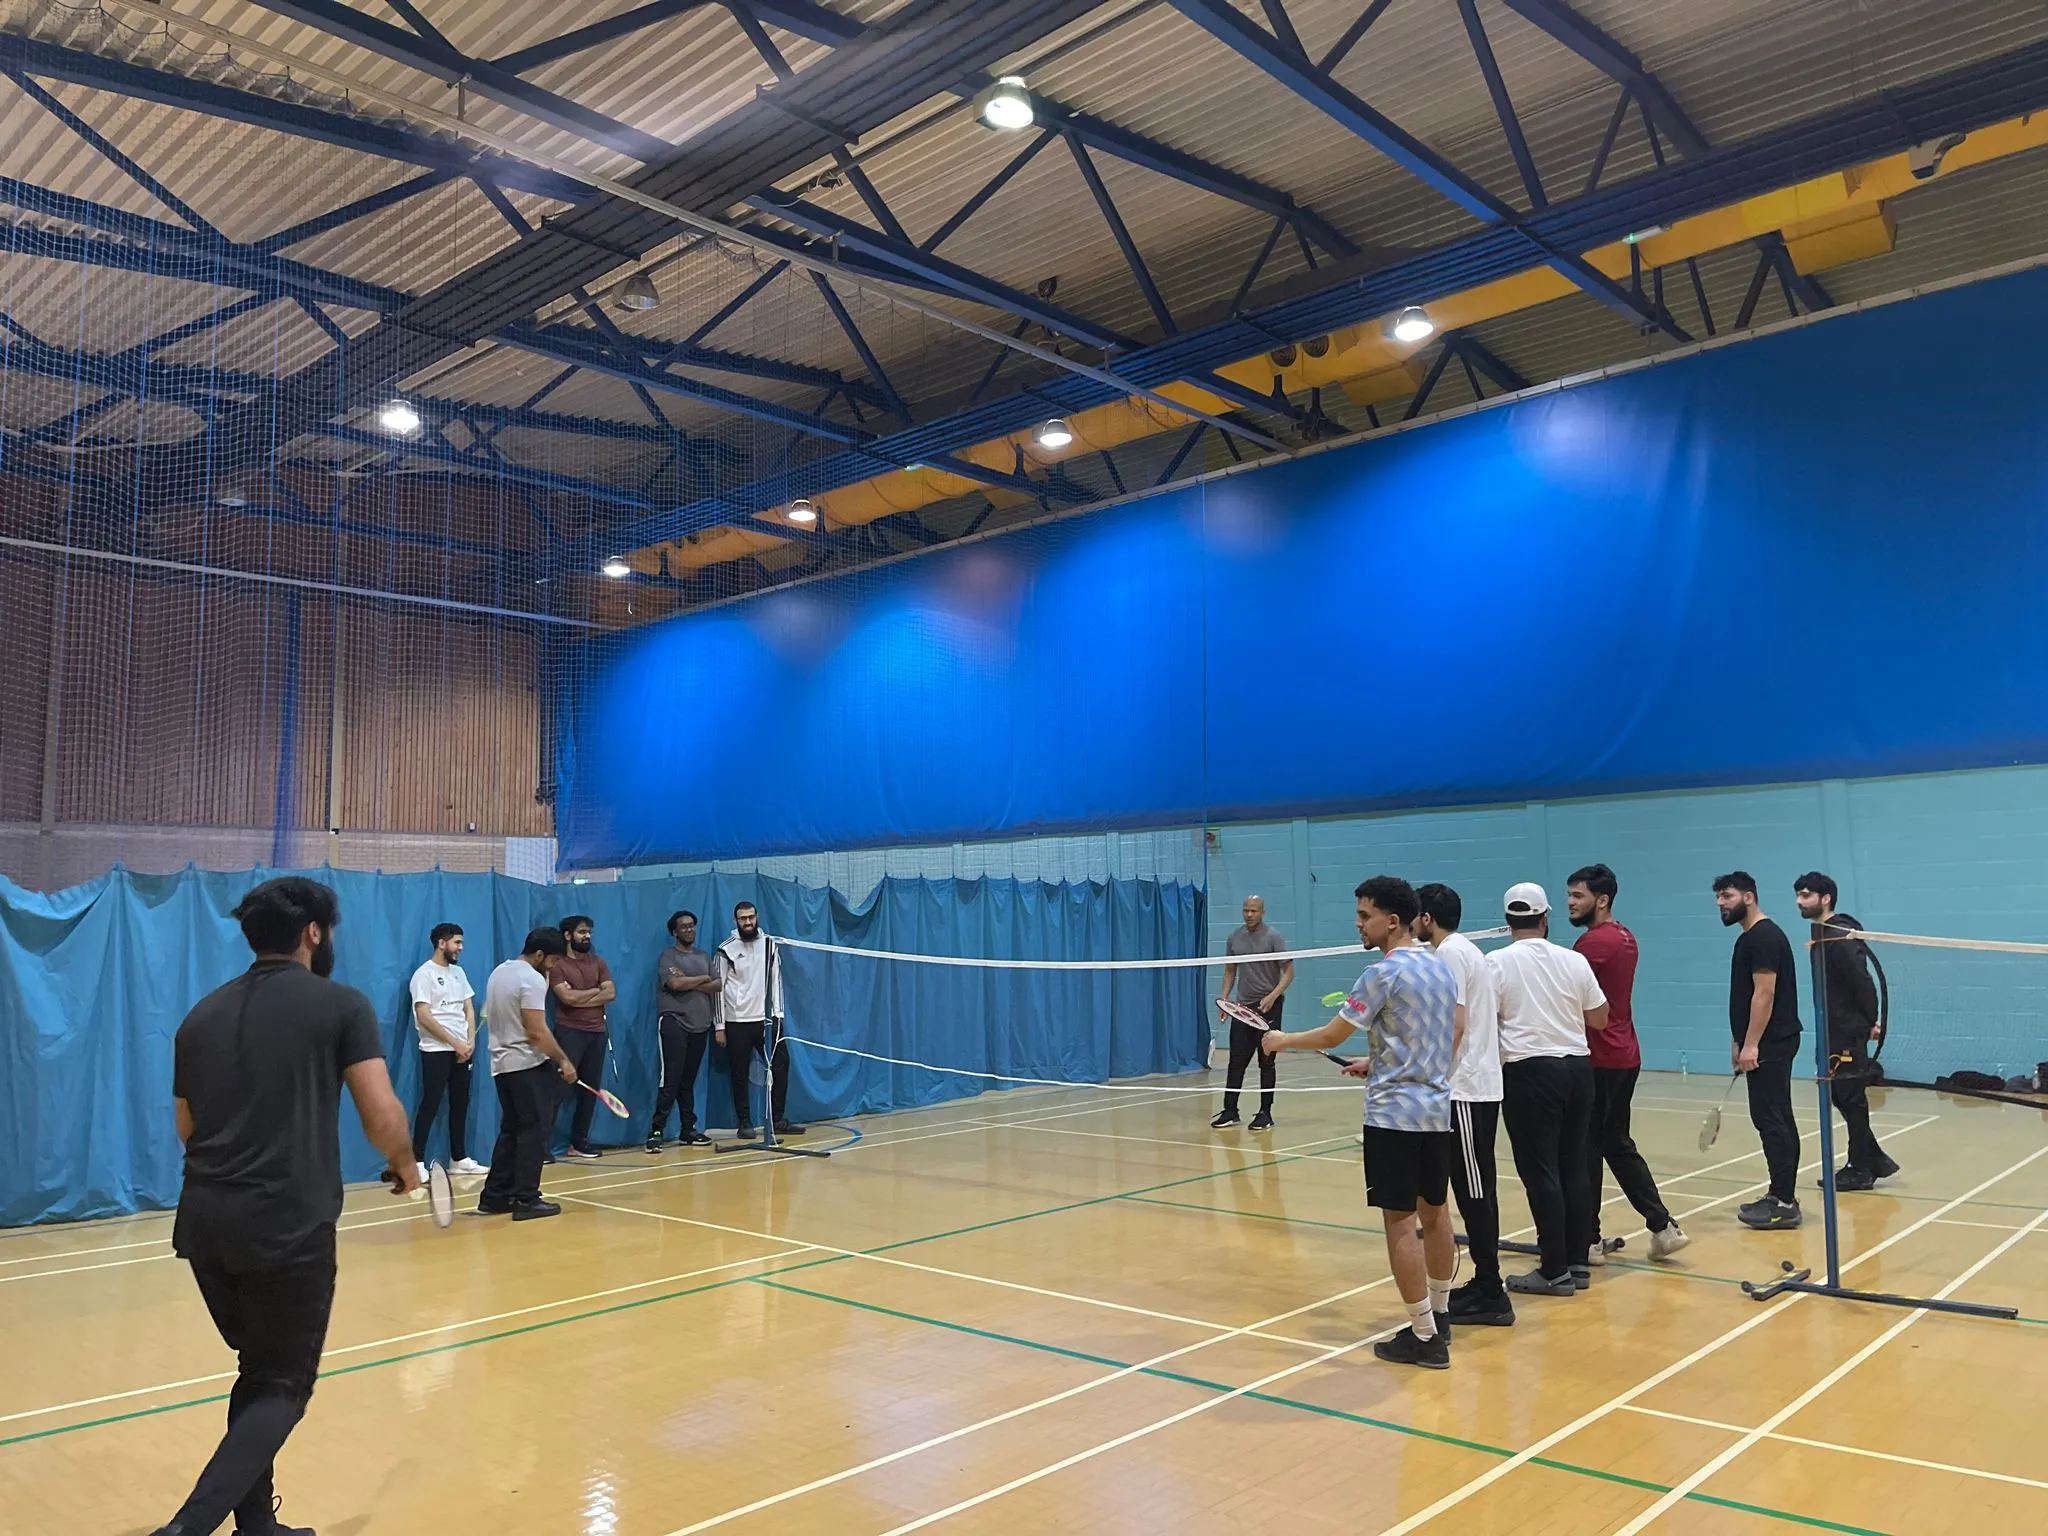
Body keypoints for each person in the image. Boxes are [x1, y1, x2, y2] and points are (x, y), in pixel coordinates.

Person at [153, 877, 416, 1536]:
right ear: (313, 933)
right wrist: (405, 1164)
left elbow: (187, 1128)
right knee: (282, 1386)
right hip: (287, 1226)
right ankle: (186, 1526)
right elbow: (381, 1114)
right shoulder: (342, 1005)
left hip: (205, 1226)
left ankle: (256, 1525)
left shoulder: (199, 1017)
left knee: (259, 1371)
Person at [1262, 876, 1461, 1370]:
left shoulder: (1381, 973)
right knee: (1436, 1214)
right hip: (1437, 1114)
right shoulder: (1440, 970)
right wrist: (1377, 1061)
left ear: (1392, 922)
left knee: (1401, 1223)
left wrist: (1282, 1041)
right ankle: (1440, 1316)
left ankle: (1423, 1337)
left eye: (1364, 916)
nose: (1358, 925)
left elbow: (1333, 1034)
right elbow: (1438, 1035)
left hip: (1394, 1118)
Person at [1567, 865, 1687, 1264]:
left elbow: (1568, 996)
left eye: (1579, 896)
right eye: (1570, 895)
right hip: (1624, 1056)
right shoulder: (1625, 936)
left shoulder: (1592, 944)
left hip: (1600, 1058)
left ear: (1601, 900)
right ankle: (1662, 1227)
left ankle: (1588, 1240)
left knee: (1589, 1148)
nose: (1571, 902)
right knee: (1614, 1143)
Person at [1491, 882, 1605, 1297]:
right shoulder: (1574, 960)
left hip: (1530, 1071)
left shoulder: (1494, 963)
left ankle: (1553, 1269)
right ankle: (1577, 1261)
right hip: (1578, 1069)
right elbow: (1600, 1018)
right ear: (1544, 918)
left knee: (1541, 1171)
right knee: (1574, 1166)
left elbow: (1482, 1021)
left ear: (1508, 921)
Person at [1413, 883, 1512, 1327]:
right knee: (1472, 1188)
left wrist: (1428, 1074)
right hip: (1467, 1088)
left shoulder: (1451, 953)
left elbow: (1454, 1025)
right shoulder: (1463, 951)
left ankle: (1492, 1293)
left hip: (1466, 1090)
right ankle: (1485, 1283)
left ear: (1427, 918)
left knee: (1474, 1192)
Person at [1793, 872, 1899, 1190]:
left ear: (1825, 899)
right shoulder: (1822, 935)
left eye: (1806, 895)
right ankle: (1872, 1160)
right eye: (1798, 895)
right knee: (1839, 1094)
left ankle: (1861, 1168)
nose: (1799, 901)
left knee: (1850, 1097)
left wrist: (1868, 1021)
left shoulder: (1839, 935)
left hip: (1846, 1032)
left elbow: (1862, 980)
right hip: (1831, 1028)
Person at [1714, 871, 1804, 1229]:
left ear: (1748, 897)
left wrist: (1752, 1043)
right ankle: (1781, 1194)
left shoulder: (1764, 937)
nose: (1721, 903)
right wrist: (1738, 1041)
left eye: (1727, 896)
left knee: (1772, 1118)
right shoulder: (1748, 939)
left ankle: (1783, 1202)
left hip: (1772, 1042)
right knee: (1772, 1116)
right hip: (1763, 1041)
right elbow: (1745, 996)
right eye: (1718, 898)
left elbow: (1764, 994)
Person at [480, 927, 578, 1220]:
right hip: (527, 1065)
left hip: (502, 1065)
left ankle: (495, 1196)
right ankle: (526, 1198)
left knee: (511, 1130)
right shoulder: (530, 979)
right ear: (539, 954)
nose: (554, 967)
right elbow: (537, 1031)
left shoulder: (499, 972)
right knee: (534, 1133)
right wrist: (563, 1060)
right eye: (553, 961)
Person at [717, 902, 805, 1138]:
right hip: (737, 1022)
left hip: (767, 1021)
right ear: (735, 921)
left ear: (757, 917)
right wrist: (719, 1026)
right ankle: (744, 1123)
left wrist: (779, 1016)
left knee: (781, 1065)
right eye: (742, 918)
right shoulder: (726, 949)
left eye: (751, 917)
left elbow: (776, 981)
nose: (748, 922)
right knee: (739, 1073)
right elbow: (717, 989)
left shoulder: (769, 945)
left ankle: (777, 1120)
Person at [408, 921, 486, 1178]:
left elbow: (469, 1008)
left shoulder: (459, 973)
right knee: (430, 1103)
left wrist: (469, 1042)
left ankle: (459, 1158)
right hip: (436, 1050)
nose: (461, 948)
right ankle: (416, 1161)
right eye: (457, 942)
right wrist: (455, 1043)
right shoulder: (424, 974)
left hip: (463, 1050)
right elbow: (424, 1016)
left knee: (460, 1103)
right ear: (442, 943)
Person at [1211, 894, 1295, 1132]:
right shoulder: (1234, 938)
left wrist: (1273, 996)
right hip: (1243, 1008)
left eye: (1254, 911)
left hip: (1269, 1006)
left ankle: (1265, 1113)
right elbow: (1230, 971)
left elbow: (1289, 973)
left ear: (1262, 912)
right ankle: (1230, 1110)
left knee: (1266, 1061)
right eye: (1246, 910)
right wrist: (1225, 1001)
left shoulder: (1274, 937)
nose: (1249, 914)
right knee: (1236, 1061)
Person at [648, 909, 720, 1152]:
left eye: (692, 925)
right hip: (674, 1023)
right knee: (671, 1080)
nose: (689, 930)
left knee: (688, 1082)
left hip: (701, 1025)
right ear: (674, 932)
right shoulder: (668, 957)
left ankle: (688, 1130)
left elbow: (718, 984)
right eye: (684, 926)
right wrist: (702, 979)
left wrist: (691, 980)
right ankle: (656, 1131)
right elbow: (675, 984)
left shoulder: (703, 956)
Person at [549, 914, 615, 1161]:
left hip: (597, 1032)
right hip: (569, 1032)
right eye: (582, 932)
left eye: (589, 932)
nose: (587, 936)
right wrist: (596, 991)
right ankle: (541, 1146)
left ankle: (579, 1142)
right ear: (568, 936)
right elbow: (567, 999)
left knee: (590, 1090)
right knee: (558, 1089)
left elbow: (610, 993)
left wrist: (581, 996)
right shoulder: (558, 965)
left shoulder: (598, 962)